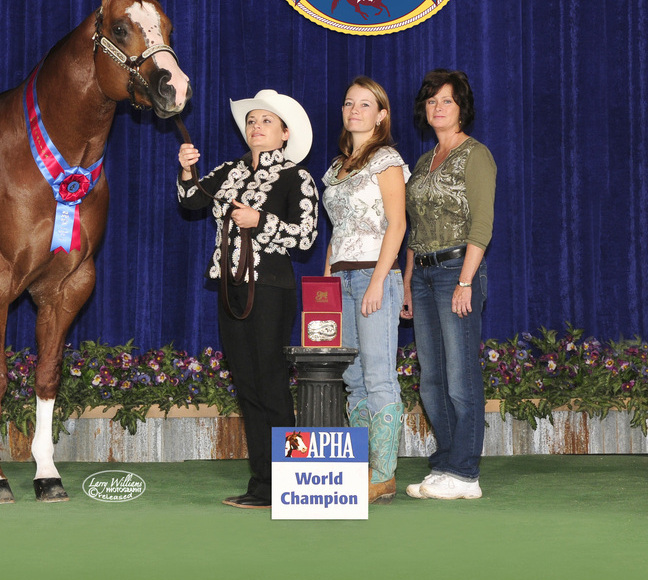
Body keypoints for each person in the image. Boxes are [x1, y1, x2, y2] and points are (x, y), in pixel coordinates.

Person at [178, 89, 317, 509]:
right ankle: (262, 484)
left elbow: (306, 237)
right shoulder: (229, 171)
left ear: (285, 133)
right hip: (230, 287)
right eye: (252, 121)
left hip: (271, 288)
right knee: (248, 385)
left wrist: (262, 221)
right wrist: (187, 172)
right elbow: (191, 201)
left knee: (272, 384)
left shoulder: (298, 177)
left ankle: (288, 482)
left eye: (266, 122)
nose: (256, 127)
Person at [402, 69, 496, 501]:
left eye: (447, 101)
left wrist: (465, 281)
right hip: (421, 274)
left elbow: (482, 225)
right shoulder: (424, 161)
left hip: (457, 270)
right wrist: (405, 283)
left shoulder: (475, 155)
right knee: (432, 381)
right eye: (432, 101)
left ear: (462, 109)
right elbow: (412, 229)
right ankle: (444, 465)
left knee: (460, 378)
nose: (438, 107)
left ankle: (465, 473)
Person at [321, 77, 409, 504]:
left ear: (381, 115)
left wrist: (378, 279)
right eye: (348, 102)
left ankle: (384, 473)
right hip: (340, 277)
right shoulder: (336, 168)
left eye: (365, 104)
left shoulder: (387, 159)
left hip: (375, 276)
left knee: (377, 374)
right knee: (352, 377)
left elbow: (398, 224)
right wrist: (324, 290)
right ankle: (360, 464)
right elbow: (335, 234)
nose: (354, 109)